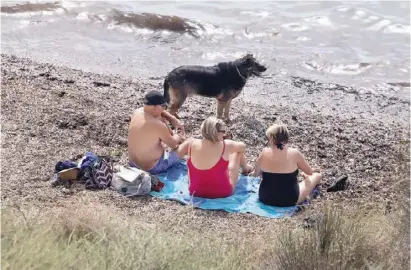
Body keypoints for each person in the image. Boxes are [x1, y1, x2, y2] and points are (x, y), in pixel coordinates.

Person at [254, 123, 322, 207]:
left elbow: (256, 174)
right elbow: (309, 172)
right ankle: (306, 178)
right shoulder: (294, 153)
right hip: (289, 200)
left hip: (265, 198)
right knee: (316, 176)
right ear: (286, 138)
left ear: (272, 138)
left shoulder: (264, 153)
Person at [184, 117, 253, 198]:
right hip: (221, 192)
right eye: (223, 131)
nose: (224, 134)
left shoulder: (191, 144)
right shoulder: (226, 145)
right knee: (237, 153)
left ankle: (246, 168)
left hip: (195, 191)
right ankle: (246, 168)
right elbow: (243, 147)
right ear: (216, 132)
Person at [128, 90, 191, 175]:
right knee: (187, 144)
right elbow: (173, 144)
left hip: (133, 164)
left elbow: (161, 113)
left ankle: (169, 135)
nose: (164, 109)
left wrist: (172, 119)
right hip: (153, 168)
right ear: (157, 107)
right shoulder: (157, 124)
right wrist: (178, 133)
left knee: (160, 117)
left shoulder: (137, 112)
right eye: (164, 106)